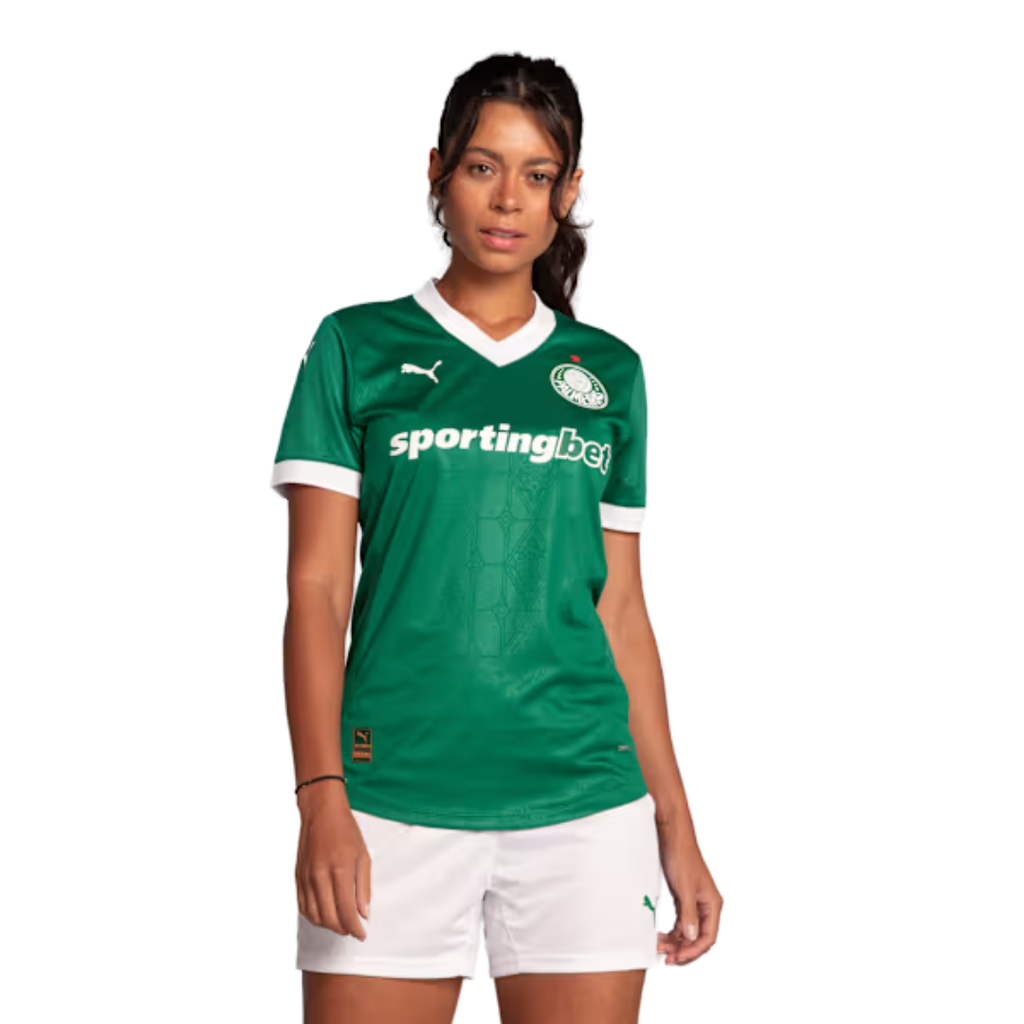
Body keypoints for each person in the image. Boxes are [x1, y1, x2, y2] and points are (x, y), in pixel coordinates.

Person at [270, 52, 723, 1024]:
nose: (508, 198)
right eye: (482, 166)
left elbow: (621, 609)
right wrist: (320, 795)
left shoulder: (608, 374)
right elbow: (317, 593)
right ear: (438, 171)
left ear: (568, 191)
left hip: (586, 806)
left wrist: (675, 824)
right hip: (387, 797)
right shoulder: (356, 346)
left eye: (536, 173)